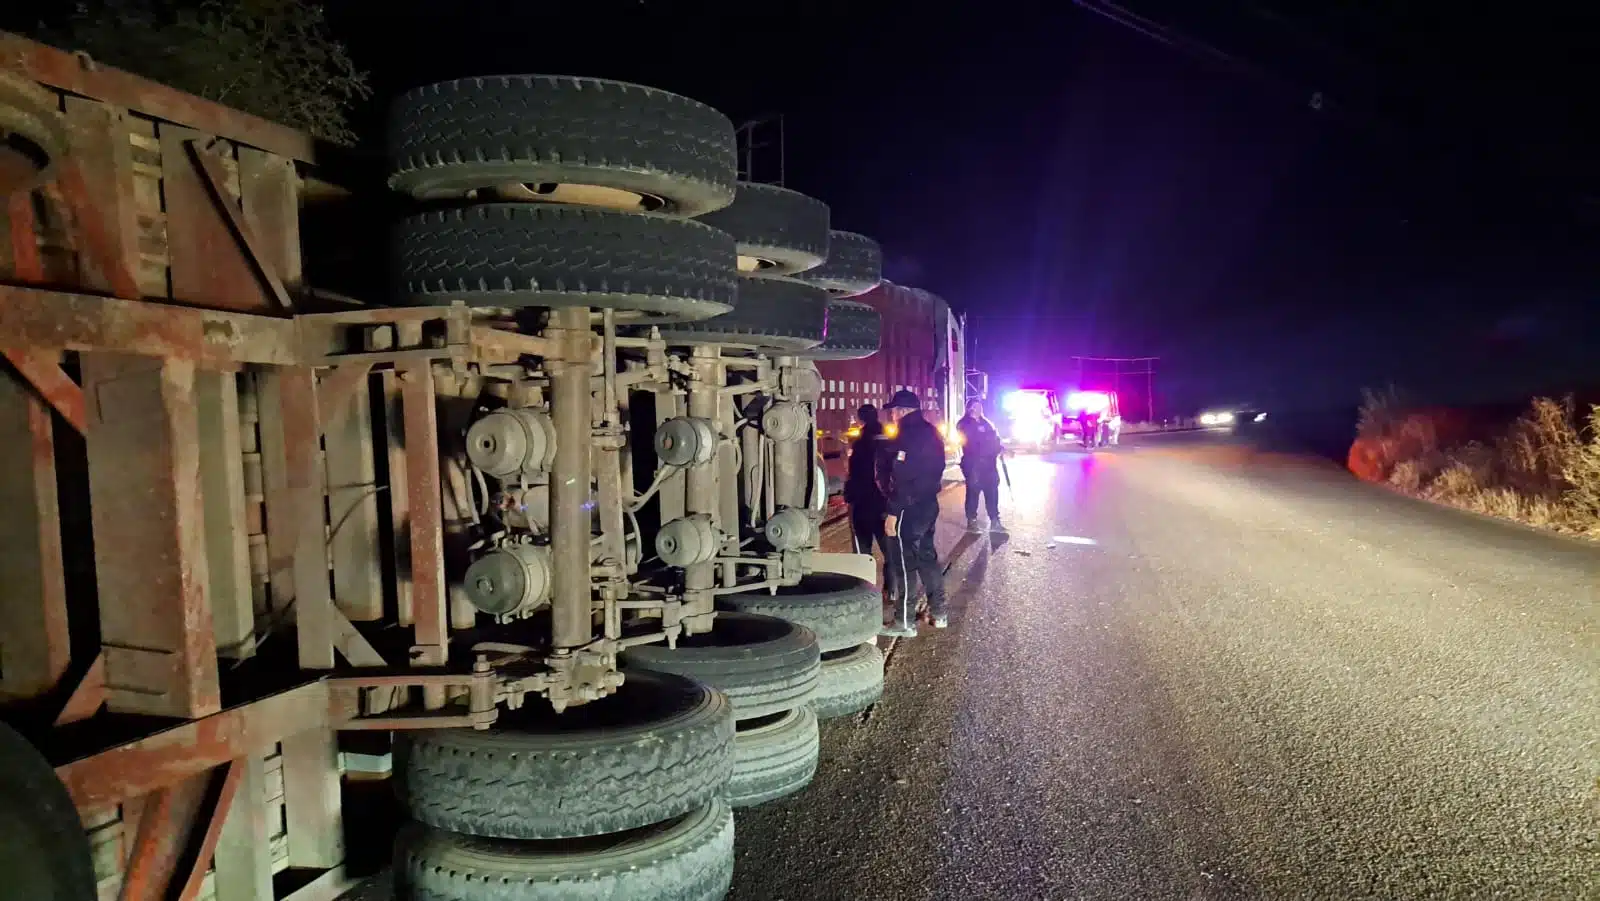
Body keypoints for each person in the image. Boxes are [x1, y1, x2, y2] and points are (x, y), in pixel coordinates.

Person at [877, 389, 949, 635]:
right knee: (927, 558)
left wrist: (893, 511)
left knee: (903, 563)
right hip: (929, 504)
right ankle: (939, 613)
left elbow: (903, 477)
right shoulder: (931, 432)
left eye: (894, 411)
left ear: (903, 411)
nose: (892, 415)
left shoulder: (907, 436)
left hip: (908, 508)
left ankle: (904, 622)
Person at [843, 404, 887, 557]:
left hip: (862, 503)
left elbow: (855, 472)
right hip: (883, 503)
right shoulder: (887, 441)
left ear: (861, 419)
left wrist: (849, 494)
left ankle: (864, 580)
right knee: (890, 553)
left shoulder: (860, 443)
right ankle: (893, 581)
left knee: (863, 552)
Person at [956, 399, 1005, 532]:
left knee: (992, 492)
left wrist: (999, 448)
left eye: (980, 406)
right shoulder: (963, 424)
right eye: (976, 406)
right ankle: (971, 520)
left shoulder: (987, 423)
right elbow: (969, 442)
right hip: (973, 464)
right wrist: (987, 447)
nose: (979, 408)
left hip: (990, 464)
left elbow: (995, 438)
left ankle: (995, 520)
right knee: (973, 493)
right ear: (970, 408)